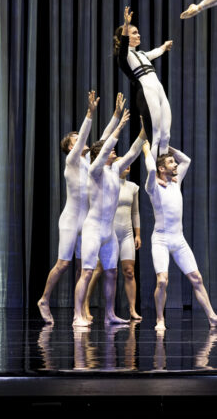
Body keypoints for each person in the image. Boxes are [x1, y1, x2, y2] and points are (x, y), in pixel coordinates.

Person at [37, 91, 125, 324]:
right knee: (63, 263)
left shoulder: (91, 163)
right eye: (76, 139)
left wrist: (116, 116)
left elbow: (104, 141)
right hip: (70, 220)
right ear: (70, 147)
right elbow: (88, 134)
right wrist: (89, 114)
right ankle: (44, 299)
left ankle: (82, 309)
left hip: (86, 221)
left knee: (82, 267)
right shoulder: (72, 161)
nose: (83, 140)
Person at [142, 140, 217, 330]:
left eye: (174, 163)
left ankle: (212, 316)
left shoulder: (176, 181)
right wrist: (146, 150)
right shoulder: (153, 187)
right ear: (161, 168)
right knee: (162, 280)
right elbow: (151, 171)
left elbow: (187, 160)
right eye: (171, 163)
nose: (175, 165)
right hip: (161, 240)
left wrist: (167, 147)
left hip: (179, 239)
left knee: (197, 278)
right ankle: (160, 319)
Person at [72, 109, 144, 327]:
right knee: (86, 272)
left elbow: (132, 152)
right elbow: (103, 152)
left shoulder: (114, 170)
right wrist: (119, 126)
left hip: (108, 232)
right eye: (111, 150)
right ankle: (78, 315)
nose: (114, 151)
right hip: (92, 229)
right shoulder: (94, 171)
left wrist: (144, 131)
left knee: (112, 273)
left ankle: (110, 314)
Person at [83, 161, 143, 321]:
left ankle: (132, 309)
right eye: (123, 162)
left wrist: (138, 234)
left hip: (127, 233)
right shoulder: (106, 183)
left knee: (129, 271)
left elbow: (135, 212)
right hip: (109, 232)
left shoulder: (133, 187)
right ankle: (85, 305)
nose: (128, 165)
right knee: (97, 270)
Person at [114, 6, 173, 159]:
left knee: (166, 135)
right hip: (147, 93)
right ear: (125, 36)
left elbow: (154, 52)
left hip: (159, 92)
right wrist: (126, 25)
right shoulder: (124, 56)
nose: (139, 35)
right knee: (156, 136)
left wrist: (164, 47)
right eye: (135, 33)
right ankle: (154, 178)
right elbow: (124, 47)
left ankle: (164, 175)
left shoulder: (141, 54)